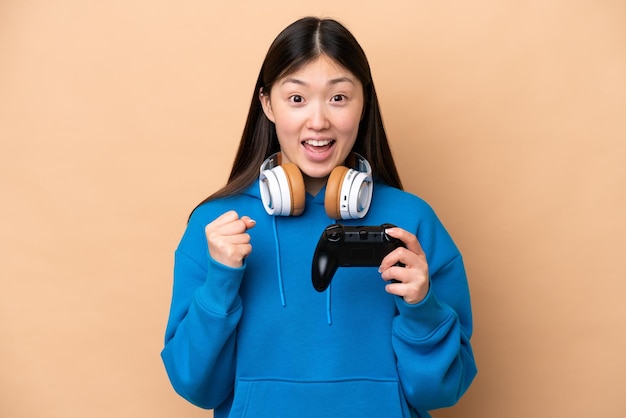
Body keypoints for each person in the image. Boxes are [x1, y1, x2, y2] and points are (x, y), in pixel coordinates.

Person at [161, 16, 477, 418]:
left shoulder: (411, 220)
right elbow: (196, 386)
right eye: (297, 99)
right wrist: (220, 282)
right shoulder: (217, 227)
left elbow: (442, 392)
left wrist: (422, 306)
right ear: (267, 105)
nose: (318, 121)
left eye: (338, 98)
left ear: (364, 104)